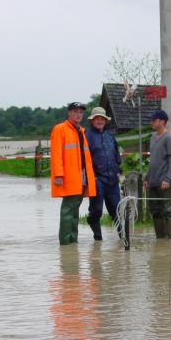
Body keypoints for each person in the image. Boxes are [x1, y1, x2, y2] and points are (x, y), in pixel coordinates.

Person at [50, 102, 96, 245]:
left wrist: (89, 177)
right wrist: (58, 175)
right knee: (67, 210)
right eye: (75, 111)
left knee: (74, 210)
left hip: (81, 176)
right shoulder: (60, 129)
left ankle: (73, 242)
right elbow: (56, 154)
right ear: (69, 113)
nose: (78, 114)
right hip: (69, 177)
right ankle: (65, 243)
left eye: (81, 112)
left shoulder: (80, 131)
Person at [85, 107, 122, 240]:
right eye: (97, 119)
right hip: (96, 179)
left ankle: (123, 237)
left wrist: (119, 171)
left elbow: (117, 156)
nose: (99, 121)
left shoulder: (110, 136)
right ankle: (98, 238)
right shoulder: (86, 136)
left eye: (102, 119)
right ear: (92, 121)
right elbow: (83, 159)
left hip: (112, 179)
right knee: (97, 210)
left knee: (116, 210)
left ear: (105, 121)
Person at [143, 110, 171, 239]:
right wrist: (147, 177)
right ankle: (160, 239)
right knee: (155, 210)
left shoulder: (169, 138)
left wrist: (168, 178)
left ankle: (170, 239)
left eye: (154, 120)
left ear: (162, 121)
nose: (152, 122)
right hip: (153, 181)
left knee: (168, 210)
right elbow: (153, 160)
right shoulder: (153, 138)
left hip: (164, 182)